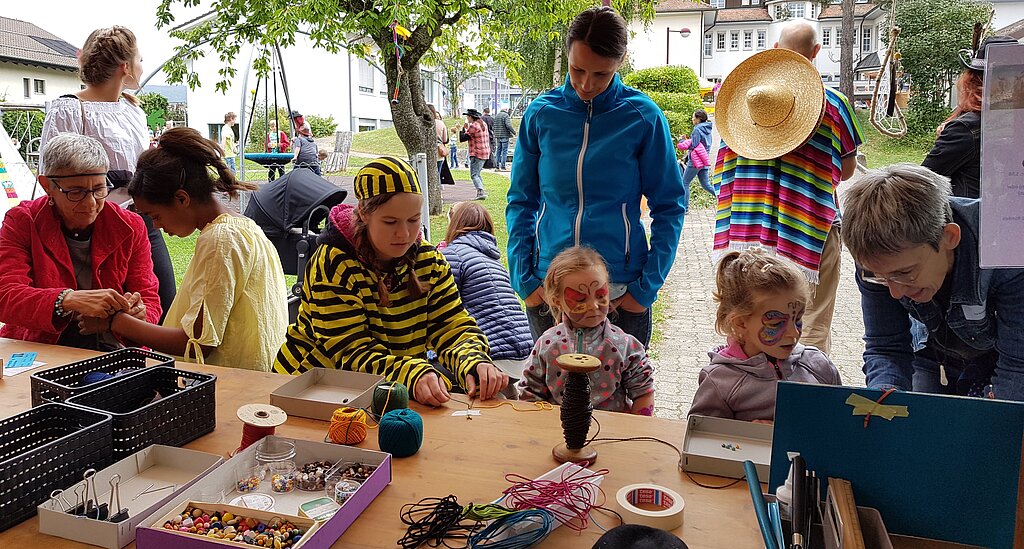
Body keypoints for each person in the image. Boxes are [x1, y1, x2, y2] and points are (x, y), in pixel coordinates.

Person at [506, 6, 686, 348]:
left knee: (621, 400)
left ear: (620, 62)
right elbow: (521, 201)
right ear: (567, 53)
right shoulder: (541, 114)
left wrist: (644, 290)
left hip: (619, 291)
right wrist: (525, 281)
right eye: (577, 69)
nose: (586, 84)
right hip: (549, 289)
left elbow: (670, 206)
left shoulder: (643, 117)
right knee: (549, 399)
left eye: (601, 74)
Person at [274, 157, 509, 405]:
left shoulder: (428, 260)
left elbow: (450, 324)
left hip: (385, 389)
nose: (405, 234)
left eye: (413, 220)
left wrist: (473, 360)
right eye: (390, 222)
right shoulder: (333, 263)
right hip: (309, 390)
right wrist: (411, 373)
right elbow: (350, 352)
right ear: (363, 212)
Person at [712, 20, 863, 356]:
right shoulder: (834, 105)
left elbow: (720, 172)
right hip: (812, 230)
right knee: (811, 323)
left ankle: (744, 391)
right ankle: (801, 397)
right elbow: (848, 169)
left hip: (746, 235)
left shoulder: (740, 103)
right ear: (816, 52)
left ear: (776, 50)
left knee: (747, 319)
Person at [82, 127, 288, 371]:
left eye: (155, 215)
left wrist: (115, 322)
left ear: (181, 199)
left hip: (230, 385)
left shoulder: (221, 240)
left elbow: (197, 343)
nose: (156, 226)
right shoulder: (242, 227)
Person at [844, 163, 1024, 400]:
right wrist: (884, 400)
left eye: (905, 273)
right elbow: (886, 346)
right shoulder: (875, 257)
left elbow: (1017, 363)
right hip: (931, 354)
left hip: (999, 361)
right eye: (882, 278)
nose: (896, 293)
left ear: (949, 236)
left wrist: (999, 420)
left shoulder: (1008, 248)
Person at [39, 25, 176, 321]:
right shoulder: (69, 109)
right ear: (125, 67)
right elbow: (54, 172)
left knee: (162, 303)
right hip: (93, 222)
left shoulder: (132, 110)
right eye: (140, 59)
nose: (142, 65)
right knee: (100, 310)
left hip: (140, 219)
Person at [0, 133, 161, 349]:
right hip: (41, 350)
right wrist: (67, 300)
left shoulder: (130, 225)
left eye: (99, 189)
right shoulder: (23, 221)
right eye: (76, 192)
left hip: (115, 349)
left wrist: (138, 314)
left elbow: (149, 298)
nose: (90, 203)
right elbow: (6, 294)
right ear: (47, 185)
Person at [688, 248, 841, 422]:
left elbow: (840, 425)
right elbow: (702, 435)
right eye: (776, 324)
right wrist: (749, 433)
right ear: (741, 323)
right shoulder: (720, 382)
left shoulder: (819, 367)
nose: (794, 332)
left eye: (797, 318)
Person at [518, 247, 655, 415]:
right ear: (556, 301)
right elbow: (529, 394)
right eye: (580, 299)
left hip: (612, 435)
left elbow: (644, 392)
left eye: (600, 295)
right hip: (555, 433)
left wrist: (634, 432)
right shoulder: (546, 344)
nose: (594, 306)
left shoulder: (625, 346)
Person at [441, 202, 532, 395]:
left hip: (491, 356)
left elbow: (441, 308)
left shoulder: (453, 255)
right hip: (523, 354)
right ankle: (507, 396)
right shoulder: (493, 260)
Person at [922, 36, 1017, 199]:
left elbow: (920, 184)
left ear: (976, 81)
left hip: (974, 221)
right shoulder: (1014, 125)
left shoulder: (966, 130)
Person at [677, 109, 715, 208]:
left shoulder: (697, 129)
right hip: (704, 159)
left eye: (694, 117)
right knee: (706, 185)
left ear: (699, 119)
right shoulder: (708, 129)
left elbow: (693, 145)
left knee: (684, 182)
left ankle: (685, 208)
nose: (692, 119)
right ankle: (723, 199)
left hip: (695, 161)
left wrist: (681, 141)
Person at [458, 109, 490, 200]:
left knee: (474, 174)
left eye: (467, 116)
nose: (467, 118)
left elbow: (463, 138)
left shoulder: (474, 126)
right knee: (478, 173)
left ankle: (480, 192)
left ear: (471, 117)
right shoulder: (483, 123)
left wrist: (462, 129)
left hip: (476, 152)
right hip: (485, 152)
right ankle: (481, 191)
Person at [428, 104, 449, 178]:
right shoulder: (440, 123)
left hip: (426, 151)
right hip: (439, 151)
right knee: (438, 174)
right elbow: (445, 139)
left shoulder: (422, 123)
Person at [492, 107, 516, 171]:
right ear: (506, 110)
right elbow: (508, 125)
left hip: (498, 136)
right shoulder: (506, 115)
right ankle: (503, 166)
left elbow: (493, 126)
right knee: (504, 151)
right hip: (505, 136)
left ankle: (496, 165)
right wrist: (514, 132)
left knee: (498, 151)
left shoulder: (497, 115)